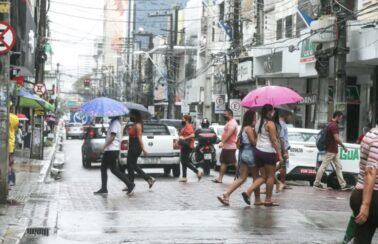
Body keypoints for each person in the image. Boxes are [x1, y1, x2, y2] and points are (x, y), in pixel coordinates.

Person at [217, 110, 262, 206]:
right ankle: (257, 199)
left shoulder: (243, 128)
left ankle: (227, 193)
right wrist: (258, 136)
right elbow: (254, 142)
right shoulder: (249, 129)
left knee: (242, 178)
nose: (255, 119)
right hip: (250, 153)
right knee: (256, 178)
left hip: (243, 153)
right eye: (254, 117)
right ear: (251, 118)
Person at [241, 104, 283, 207]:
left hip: (258, 151)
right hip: (268, 152)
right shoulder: (270, 124)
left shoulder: (258, 122)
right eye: (272, 111)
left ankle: (248, 192)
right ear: (269, 112)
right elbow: (273, 140)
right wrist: (280, 154)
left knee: (263, 176)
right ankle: (268, 200)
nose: (273, 113)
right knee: (270, 177)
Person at [349, 122, 378, 243]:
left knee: (362, 237)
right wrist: (365, 205)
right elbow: (370, 171)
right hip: (373, 196)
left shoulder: (371, 133)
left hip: (362, 193)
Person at [313, 111, 354, 191]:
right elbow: (336, 138)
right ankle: (317, 183)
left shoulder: (330, 124)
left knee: (338, 166)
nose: (341, 120)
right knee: (324, 166)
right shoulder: (333, 126)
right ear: (337, 116)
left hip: (333, 150)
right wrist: (344, 146)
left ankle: (343, 185)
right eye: (341, 118)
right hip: (331, 150)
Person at [94, 116, 135, 195]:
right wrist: (105, 131)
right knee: (111, 169)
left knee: (108, 169)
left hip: (111, 150)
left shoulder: (115, 123)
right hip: (112, 150)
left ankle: (129, 184)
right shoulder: (114, 123)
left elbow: (112, 137)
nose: (108, 115)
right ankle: (105, 188)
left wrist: (104, 146)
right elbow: (112, 135)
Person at [125, 110, 155, 190]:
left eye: (131, 115)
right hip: (132, 146)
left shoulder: (138, 125)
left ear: (135, 116)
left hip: (135, 146)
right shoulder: (134, 124)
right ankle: (148, 179)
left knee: (130, 165)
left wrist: (143, 149)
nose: (130, 116)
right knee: (132, 165)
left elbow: (140, 138)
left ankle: (131, 184)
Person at [212, 109, 238, 183]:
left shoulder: (232, 123)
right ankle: (220, 178)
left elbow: (229, 134)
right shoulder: (230, 122)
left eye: (225, 114)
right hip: (227, 146)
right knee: (224, 162)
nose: (224, 116)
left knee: (232, 162)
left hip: (229, 146)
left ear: (230, 115)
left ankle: (240, 177)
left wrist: (222, 142)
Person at [178, 115, 204, 183]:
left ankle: (197, 171)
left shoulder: (189, 126)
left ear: (186, 120)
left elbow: (192, 135)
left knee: (185, 162)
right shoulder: (185, 126)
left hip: (187, 145)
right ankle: (184, 177)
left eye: (183, 119)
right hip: (184, 145)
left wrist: (184, 138)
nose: (182, 120)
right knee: (183, 161)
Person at [277, 112, 292, 191]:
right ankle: (282, 183)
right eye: (289, 115)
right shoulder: (282, 124)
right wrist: (284, 150)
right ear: (285, 115)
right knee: (283, 165)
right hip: (282, 147)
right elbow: (282, 138)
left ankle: (281, 182)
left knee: (282, 165)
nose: (290, 118)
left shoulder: (281, 123)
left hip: (282, 147)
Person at [8, 111, 19, 186]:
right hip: (11, 144)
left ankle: (9, 180)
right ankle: (12, 180)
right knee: (10, 164)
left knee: (8, 164)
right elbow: (15, 127)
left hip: (6, 144)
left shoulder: (6, 116)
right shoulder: (15, 118)